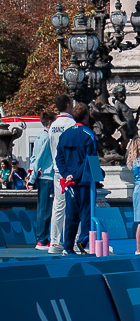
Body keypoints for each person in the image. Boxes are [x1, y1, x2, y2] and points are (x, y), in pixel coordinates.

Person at [54, 102, 99, 256]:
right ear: (86, 116)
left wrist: (66, 174)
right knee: (86, 212)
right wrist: (76, 175)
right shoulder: (89, 135)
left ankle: (68, 246)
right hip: (84, 180)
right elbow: (90, 160)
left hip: (69, 181)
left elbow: (59, 158)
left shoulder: (65, 135)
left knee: (71, 214)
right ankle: (84, 240)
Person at [46, 97, 77, 253]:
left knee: (58, 206)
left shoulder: (53, 126)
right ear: (68, 105)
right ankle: (72, 242)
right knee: (72, 206)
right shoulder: (71, 124)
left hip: (57, 169)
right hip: (69, 170)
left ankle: (54, 241)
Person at [27, 108, 55, 249]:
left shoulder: (40, 136)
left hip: (42, 177)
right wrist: (32, 179)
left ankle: (42, 238)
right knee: (45, 209)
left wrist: (31, 177)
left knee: (43, 208)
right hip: (47, 176)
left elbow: (34, 158)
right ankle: (42, 239)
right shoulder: (47, 138)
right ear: (50, 122)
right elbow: (39, 159)